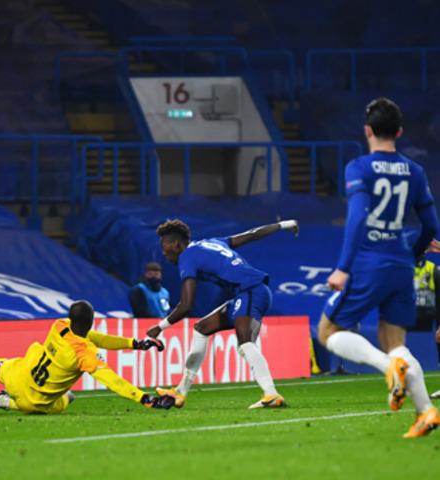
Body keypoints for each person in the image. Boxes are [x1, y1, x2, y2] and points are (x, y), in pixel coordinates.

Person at [318, 97, 439, 438]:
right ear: (399, 132)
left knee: (328, 332)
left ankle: (389, 368)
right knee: (395, 340)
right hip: (401, 264)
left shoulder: (359, 168)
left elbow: (357, 218)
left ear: (367, 130)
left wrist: (343, 267)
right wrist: (414, 254)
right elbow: (431, 226)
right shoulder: (415, 172)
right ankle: (426, 411)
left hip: (370, 263)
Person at [146, 218, 299, 409]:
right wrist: (284, 224)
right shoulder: (213, 242)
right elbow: (252, 234)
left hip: (250, 290)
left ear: (176, 244)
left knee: (245, 342)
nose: (163, 251)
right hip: (248, 293)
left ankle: (271, 394)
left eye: (164, 245)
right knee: (202, 328)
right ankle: (181, 391)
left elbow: (186, 305)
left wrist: (160, 327)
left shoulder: (187, 257)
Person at [0, 300, 165, 414]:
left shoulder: (59, 325)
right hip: (34, 403)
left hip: (19, 375)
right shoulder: (84, 354)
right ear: (91, 321)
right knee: (68, 397)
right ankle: (7, 403)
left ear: (71, 317)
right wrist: (143, 398)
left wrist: (134, 344)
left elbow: (95, 338)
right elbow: (112, 380)